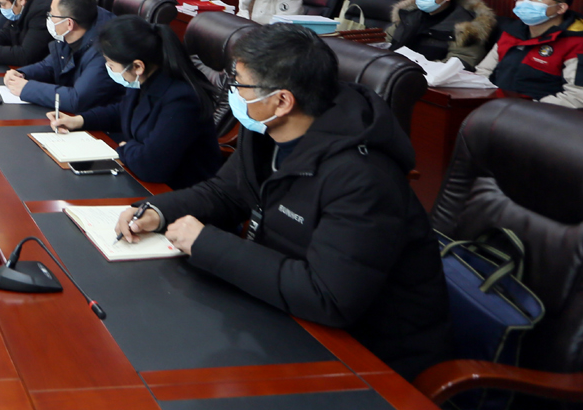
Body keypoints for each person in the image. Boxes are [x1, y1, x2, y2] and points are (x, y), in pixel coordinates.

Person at [115, 24, 451, 379]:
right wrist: (157, 211)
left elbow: (328, 297)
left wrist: (207, 244)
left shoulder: (363, 177)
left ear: (282, 101)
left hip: (367, 359)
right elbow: (225, 192)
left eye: (239, 85)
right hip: (282, 314)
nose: (231, 93)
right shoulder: (267, 131)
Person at [48, 16, 222, 188]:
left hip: (176, 191)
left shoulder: (182, 100)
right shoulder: (145, 79)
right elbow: (123, 111)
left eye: (111, 64)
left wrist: (125, 148)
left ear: (138, 66)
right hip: (139, 178)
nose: (108, 69)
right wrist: (79, 121)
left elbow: (151, 166)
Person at [476, 0, 583, 109]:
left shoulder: (582, 45)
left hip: (542, 116)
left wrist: (524, 109)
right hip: (497, 109)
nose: (526, 3)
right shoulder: (512, 33)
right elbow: (483, 73)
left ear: (560, 8)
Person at [5, 0, 120, 114]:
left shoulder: (104, 51)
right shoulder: (69, 36)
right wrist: (21, 74)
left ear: (69, 23)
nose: (48, 18)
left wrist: (27, 88)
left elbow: (77, 100)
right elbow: (49, 66)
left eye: (52, 14)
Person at [386, 0, 495, 69]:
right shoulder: (409, 15)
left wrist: (411, 72)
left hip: (424, 78)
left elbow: (459, 64)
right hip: (391, 71)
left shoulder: (465, 28)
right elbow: (384, 42)